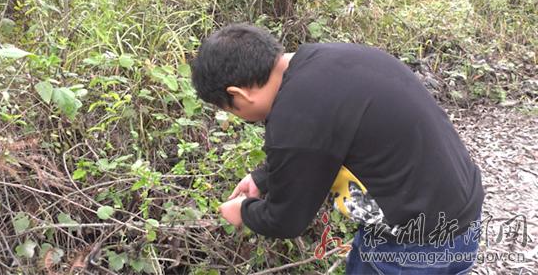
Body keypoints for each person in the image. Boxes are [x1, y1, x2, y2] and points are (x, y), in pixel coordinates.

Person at [190, 23, 484, 274]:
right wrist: (262, 178)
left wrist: (243, 211)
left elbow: (286, 219)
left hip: (410, 247)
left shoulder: (295, 115)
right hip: (461, 218)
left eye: (231, 110)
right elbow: (324, 143)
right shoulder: (329, 58)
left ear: (238, 94)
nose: (237, 116)